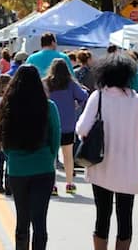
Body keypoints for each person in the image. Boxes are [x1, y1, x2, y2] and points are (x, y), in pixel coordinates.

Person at [76, 54, 138, 250]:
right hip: (129, 168)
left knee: (102, 215)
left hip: (101, 165)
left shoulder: (98, 96)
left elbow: (82, 129)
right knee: (125, 217)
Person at [0, 65, 61, 250]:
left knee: (21, 219)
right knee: (40, 220)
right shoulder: (49, 107)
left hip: (17, 169)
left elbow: (1, 137)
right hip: (43, 168)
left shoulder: (6, 106)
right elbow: (55, 136)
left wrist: (12, 158)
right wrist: (50, 157)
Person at [44, 58, 89, 195]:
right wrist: (77, 105)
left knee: (52, 156)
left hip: (50, 124)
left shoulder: (45, 83)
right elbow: (84, 95)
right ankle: (70, 184)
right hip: (68, 124)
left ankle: (52, 185)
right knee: (68, 155)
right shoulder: (70, 84)